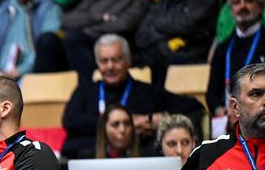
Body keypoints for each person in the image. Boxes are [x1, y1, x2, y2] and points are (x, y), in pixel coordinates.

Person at [60, 34, 204, 159]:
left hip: (139, 159)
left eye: (116, 60)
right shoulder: (86, 90)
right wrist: (119, 124)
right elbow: (70, 121)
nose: (110, 66)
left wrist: (159, 117)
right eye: (104, 61)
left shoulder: (147, 92)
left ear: (128, 61)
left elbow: (194, 106)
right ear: (97, 64)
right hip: (93, 159)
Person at [133, 0, 217, 86]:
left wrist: (157, 27)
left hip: (188, 59)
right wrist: (164, 42)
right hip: (158, 56)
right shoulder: (162, 0)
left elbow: (185, 26)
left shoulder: (205, 1)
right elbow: (141, 36)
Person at [208, 0, 265, 118]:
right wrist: (220, 111)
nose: (242, 6)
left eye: (249, 1)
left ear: (260, 6)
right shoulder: (223, 47)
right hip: (229, 118)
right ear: (231, 10)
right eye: (236, 2)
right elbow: (212, 92)